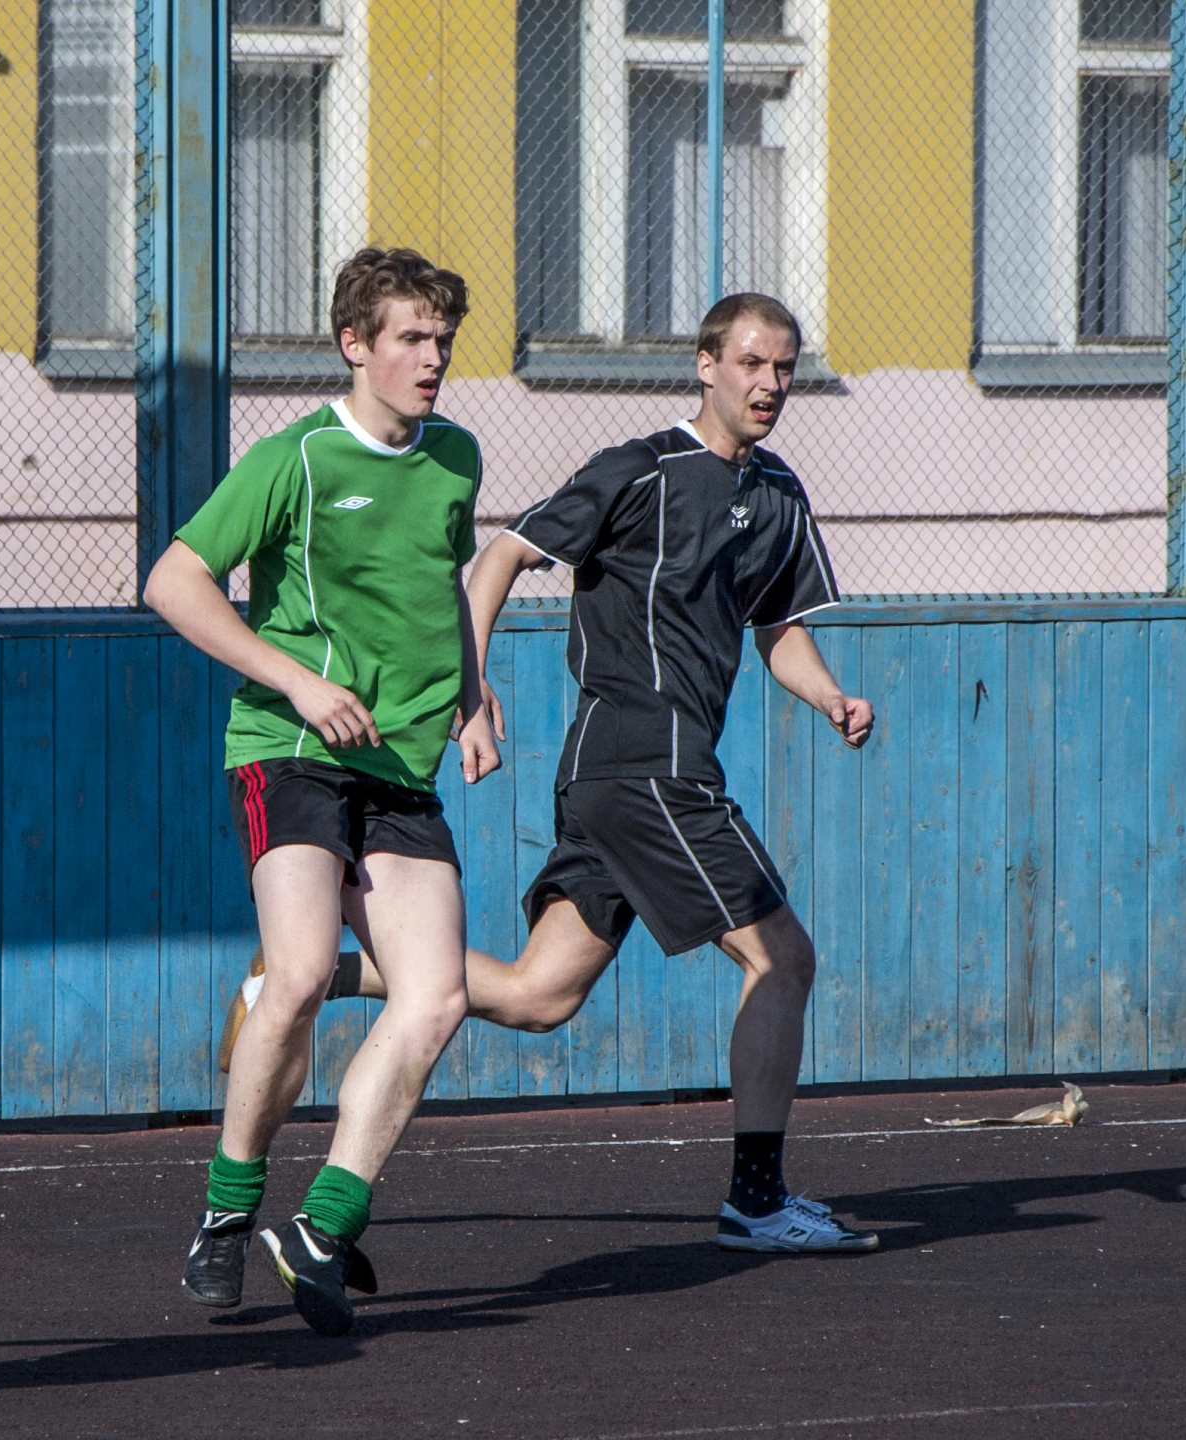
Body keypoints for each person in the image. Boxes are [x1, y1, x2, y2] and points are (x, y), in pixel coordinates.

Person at [215, 292, 880, 1254]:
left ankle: (314, 976)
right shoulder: (639, 470)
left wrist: (826, 695)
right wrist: (470, 687)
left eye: (784, 368)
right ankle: (758, 1198)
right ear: (704, 365)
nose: (769, 384)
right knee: (783, 958)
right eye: (749, 363)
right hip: (641, 764)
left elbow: (774, 627)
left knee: (539, 997)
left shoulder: (776, 495)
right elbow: (501, 556)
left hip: (648, 774)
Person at [145, 247, 492, 1336]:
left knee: (433, 997)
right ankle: (227, 1210)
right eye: (410, 340)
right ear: (356, 345)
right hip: (291, 745)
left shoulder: (455, 459)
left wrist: (474, 695)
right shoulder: (293, 459)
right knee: (294, 975)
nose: (432, 359)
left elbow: (440, 589)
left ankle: (322, 1225)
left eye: (442, 341)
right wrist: (299, 676)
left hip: (403, 766)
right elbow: (172, 580)